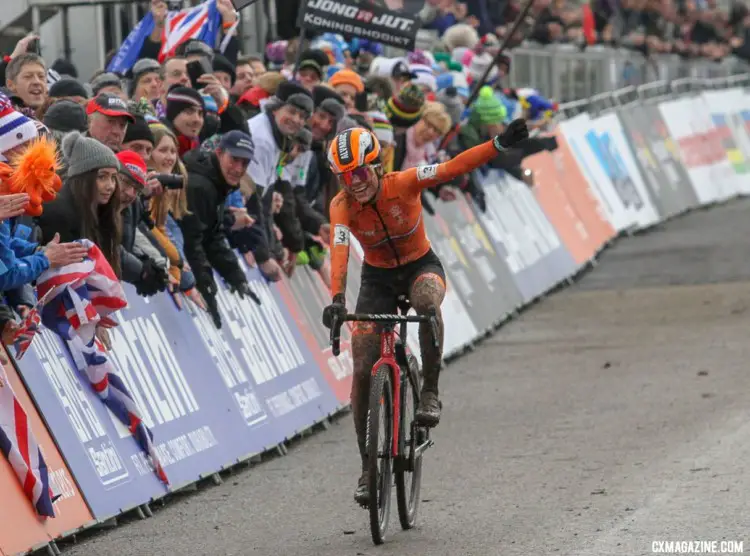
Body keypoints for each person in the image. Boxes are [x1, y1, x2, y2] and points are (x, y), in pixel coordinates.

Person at [322, 119, 530, 506]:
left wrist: (498, 144)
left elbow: (454, 167)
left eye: (362, 172)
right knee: (364, 369)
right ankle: (368, 469)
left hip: (420, 266)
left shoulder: (404, 182)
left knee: (427, 305)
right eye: (346, 177)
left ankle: (431, 391)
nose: (356, 183)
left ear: (377, 165)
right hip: (377, 279)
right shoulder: (342, 206)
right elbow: (338, 249)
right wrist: (337, 298)